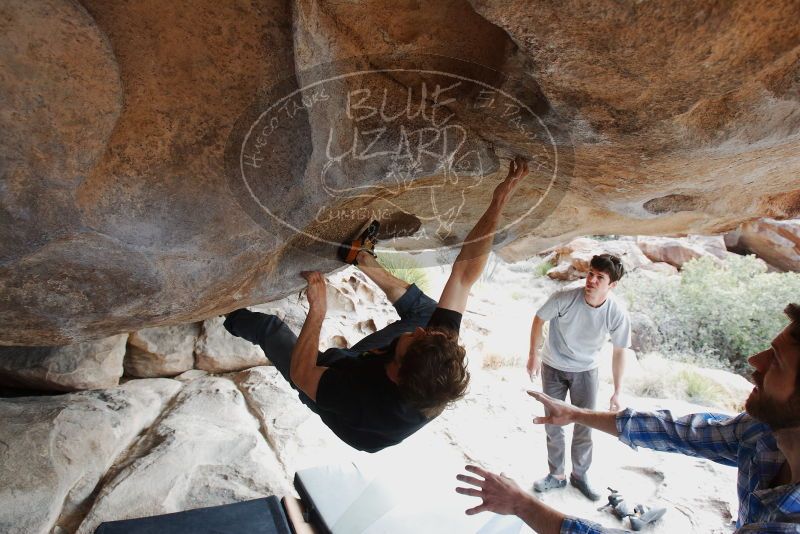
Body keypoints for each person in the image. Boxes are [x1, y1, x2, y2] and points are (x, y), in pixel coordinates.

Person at [223, 157, 529, 452]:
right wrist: (498, 201)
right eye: (428, 335)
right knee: (426, 311)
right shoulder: (435, 354)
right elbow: (463, 275)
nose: (422, 331)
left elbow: (304, 374)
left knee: (269, 328)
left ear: (394, 373)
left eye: (415, 339)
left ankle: (228, 311)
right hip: (378, 368)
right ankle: (361, 257)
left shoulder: (364, 403)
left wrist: (318, 310)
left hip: (340, 398)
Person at [456, 303, 800, 533]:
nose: (756, 361)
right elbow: (679, 432)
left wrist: (521, 504)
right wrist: (576, 413)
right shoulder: (764, 432)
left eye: (777, 361)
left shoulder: (789, 523)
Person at [527, 254, 631, 500]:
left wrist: (617, 390)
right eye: (591, 274)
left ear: (612, 285)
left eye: (600, 277)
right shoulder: (565, 297)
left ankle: (580, 476)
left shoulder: (616, 312)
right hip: (553, 366)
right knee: (553, 422)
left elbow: (619, 351)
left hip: (586, 371)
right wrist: (534, 353)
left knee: (586, 424)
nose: (592, 281)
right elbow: (539, 318)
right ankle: (557, 475)